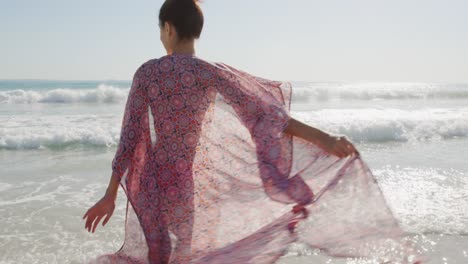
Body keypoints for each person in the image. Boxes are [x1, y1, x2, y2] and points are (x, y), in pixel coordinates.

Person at [83, 0, 423, 263]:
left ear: (168, 29)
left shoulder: (147, 73)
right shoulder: (210, 73)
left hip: (153, 186)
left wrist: (110, 194)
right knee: (186, 255)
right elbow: (267, 117)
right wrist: (324, 139)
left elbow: (129, 138)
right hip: (186, 184)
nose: (161, 37)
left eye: (160, 30)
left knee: (157, 258)